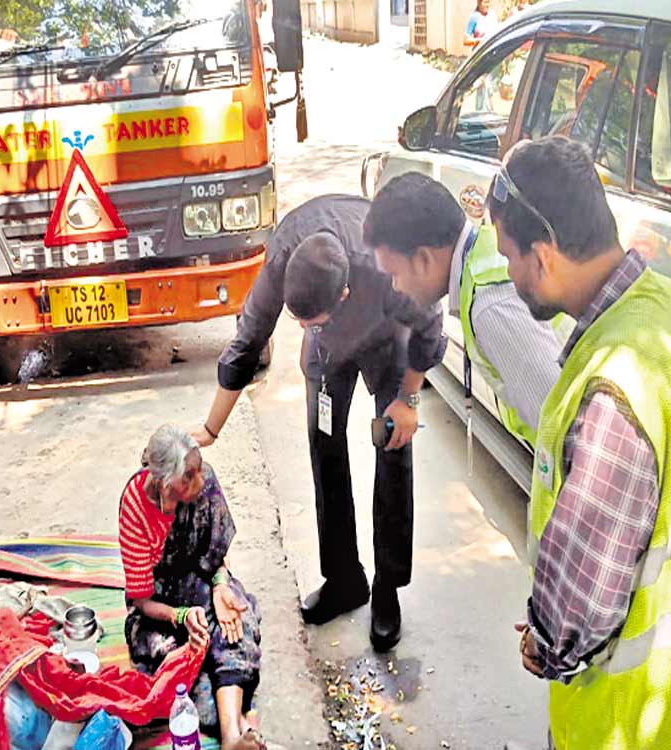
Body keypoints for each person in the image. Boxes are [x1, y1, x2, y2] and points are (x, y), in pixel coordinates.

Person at [487, 137, 671, 748]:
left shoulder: (612, 382)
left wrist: (546, 641)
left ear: (544, 255)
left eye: (509, 256)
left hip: (627, 722)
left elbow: (583, 594)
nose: (507, 273)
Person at [191, 195, 446, 652]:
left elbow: (429, 326)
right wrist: (211, 429)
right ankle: (345, 579)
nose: (305, 327)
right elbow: (248, 341)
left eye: (313, 320)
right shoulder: (283, 260)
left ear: (343, 295)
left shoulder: (384, 268)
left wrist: (407, 400)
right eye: (299, 321)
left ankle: (387, 588)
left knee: (391, 449)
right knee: (324, 447)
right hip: (330, 356)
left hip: (388, 340)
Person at [365, 172, 561, 447]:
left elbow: (562, 427)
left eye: (395, 273)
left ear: (422, 259)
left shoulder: (490, 307)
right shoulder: (482, 258)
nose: (396, 286)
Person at [120, 426, 268, 750]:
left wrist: (218, 587)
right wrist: (182, 615)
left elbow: (216, 556)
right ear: (163, 482)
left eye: (198, 470)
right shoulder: (135, 506)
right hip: (160, 604)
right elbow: (141, 599)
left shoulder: (206, 483)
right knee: (178, 660)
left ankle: (230, 738)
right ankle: (241, 723)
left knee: (234, 625)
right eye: (188, 476)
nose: (199, 481)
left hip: (201, 581)